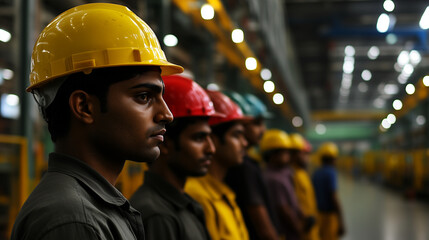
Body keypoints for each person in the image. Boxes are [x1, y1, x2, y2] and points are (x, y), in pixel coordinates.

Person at [11, 3, 183, 240]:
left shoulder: (93, 209)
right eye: (143, 96)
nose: (166, 114)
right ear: (84, 107)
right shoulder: (75, 221)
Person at [129, 75, 217, 240]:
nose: (211, 149)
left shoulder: (186, 204)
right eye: (199, 138)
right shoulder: (158, 216)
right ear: (165, 143)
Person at [185, 90, 250, 240]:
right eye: (236, 135)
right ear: (212, 139)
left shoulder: (223, 192)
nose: (244, 143)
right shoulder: (197, 195)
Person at [224, 92, 280, 240]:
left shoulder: (246, 164)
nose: (263, 130)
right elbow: (263, 228)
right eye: (257, 123)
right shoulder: (244, 168)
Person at [260, 129, 306, 240]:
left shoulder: (284, 173)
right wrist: (299, 230)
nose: (288, 155)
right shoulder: (273, 179)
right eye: (283, 151)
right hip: (286, 234)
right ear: (271, 154)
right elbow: (284, 210)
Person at [312, 142, 345, 240]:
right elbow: (333, 197)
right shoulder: (331, 173)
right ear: (333, 159)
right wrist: (341, 220)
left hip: (318, 215)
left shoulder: (316, 173)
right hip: (329, 217)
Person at [290, 133, 320, 240]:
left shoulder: (302, 173)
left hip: (311, 226)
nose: (307, 158)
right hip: (303, 229)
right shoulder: (292, 174)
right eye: (304, 153)